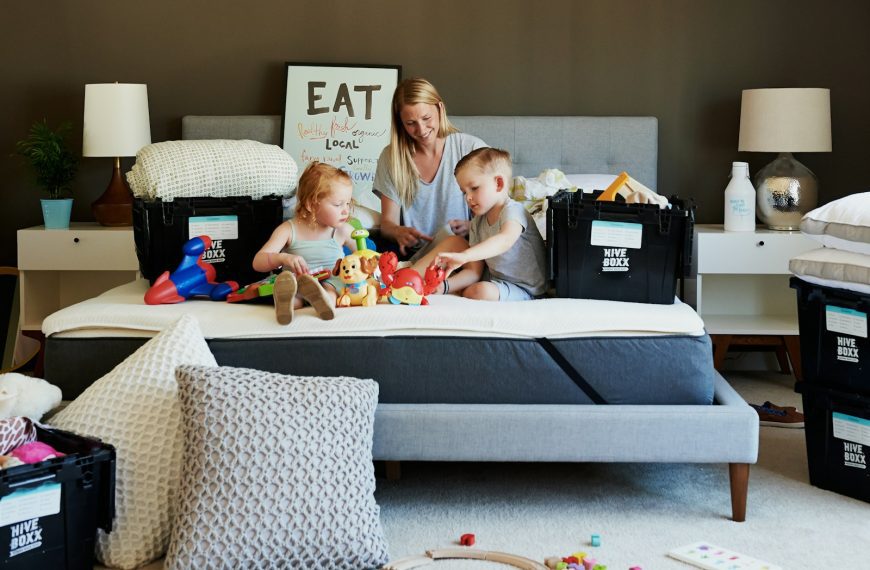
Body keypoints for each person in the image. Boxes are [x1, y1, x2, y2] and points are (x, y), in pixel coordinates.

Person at [372, 78, 488, 263]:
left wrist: (471, 226)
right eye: (410, 123)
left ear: (440, 109)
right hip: (413, 255)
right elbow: (387, 224)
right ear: (401, 123)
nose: (421, 129)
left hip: (461, 251)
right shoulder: (391, 157)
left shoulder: (470, 148)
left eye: (426, 119)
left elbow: (495, 213)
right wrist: (398, 231)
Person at [433, 147, 548, 301]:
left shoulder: (513, 211)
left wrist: (465, 256)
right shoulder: (477, 222)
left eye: (474, 188)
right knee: (475, 288)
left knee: (480, 291)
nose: (468, 197)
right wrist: (444, 286)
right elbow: (474, 271)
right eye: (464, 192)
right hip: (497, 282)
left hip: (528, 289)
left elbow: (504, 240)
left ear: (498, 183)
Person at [252, 162, 357, 324]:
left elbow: (366, 256)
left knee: (331, 289)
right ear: (311, 205)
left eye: (348, 203)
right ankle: (286, 304)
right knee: (294, 295)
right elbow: (258, 262)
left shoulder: (343, 230)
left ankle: (323, 301)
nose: (346, 210)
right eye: (338, 204)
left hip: (331, 282)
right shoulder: (288, 230)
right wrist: (283, 258)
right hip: (298, 284)